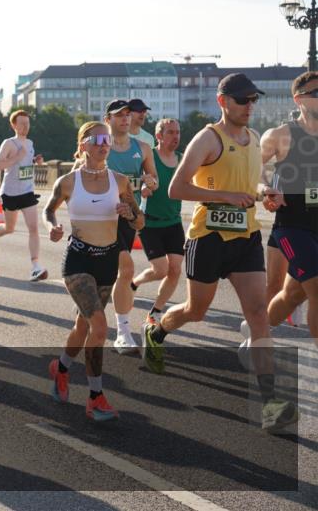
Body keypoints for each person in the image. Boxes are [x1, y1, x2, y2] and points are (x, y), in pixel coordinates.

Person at [142, 73, 298, 433]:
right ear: (222, 101)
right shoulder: (208, 138)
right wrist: (225, 196)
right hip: (208, 238)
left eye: (253, 100)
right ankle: (157, 330)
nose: (249, 106)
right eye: (242, 100)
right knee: (196, 311)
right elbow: (177, 188)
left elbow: (251, 180)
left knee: (258, 313)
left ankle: (270, 403)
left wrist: (263, 192)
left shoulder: (254, 138)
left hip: (245, 237)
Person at [44, 121, 143, 421]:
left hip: (107, 262)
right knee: (99, 327)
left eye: (107, 140)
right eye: (97, 140)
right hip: (78, 262)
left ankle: (61, 368)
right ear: (83, 144)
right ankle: (95, 397)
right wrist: (53, 227)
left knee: (83, 327)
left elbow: (140, 222)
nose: (103, 145)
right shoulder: (68, 182)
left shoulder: (120, 181)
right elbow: (49, 210)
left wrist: (130, 213)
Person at [259, 71, 318, 343]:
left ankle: (256, 332)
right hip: (292, 226)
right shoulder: (280, 135)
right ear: (298, 99)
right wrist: (265, 190)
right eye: (316, 93)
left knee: (293, 294)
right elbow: (252, 168)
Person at [101, 99, 158, 354]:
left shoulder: (143, 148)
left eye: (127, 114)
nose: (125, 119)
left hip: (129, 216)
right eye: (118, 115)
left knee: (119, 273)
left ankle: (120, 331)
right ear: (108, 120)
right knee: (125, 269)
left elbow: (153, 180)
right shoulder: (100, 147)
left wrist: (149, 184)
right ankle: (123, 333)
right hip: (101, 218)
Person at [130, 119, 185, 326]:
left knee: (175, 270)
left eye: (177, 132)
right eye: (170, 132)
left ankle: (155, 312)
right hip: (150, 223)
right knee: (160, 270)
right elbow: (134, 181)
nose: (175, 136)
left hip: (173, 222)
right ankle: (134, 283)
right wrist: (143, 188)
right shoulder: (149, 155)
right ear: (159, 136)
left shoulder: (182, 159)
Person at [0, 110, 48, 282]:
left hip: (27, 191)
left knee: (34, 228)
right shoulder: (9, 143)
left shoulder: (30, 143)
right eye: (21, 123)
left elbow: (25, 164)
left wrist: (34, 161)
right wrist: (16, 157)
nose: (25, 126)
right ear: (13, 125)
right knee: (9, 228)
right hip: (10, 193)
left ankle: (35, 266)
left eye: (27, 123)